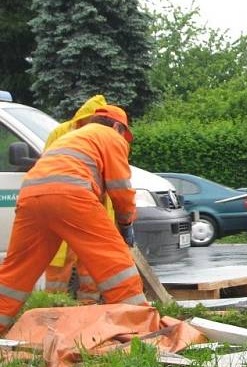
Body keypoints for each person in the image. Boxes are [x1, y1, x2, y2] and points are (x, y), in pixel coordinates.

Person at [0, 106, 146, 334]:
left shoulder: (72, 137)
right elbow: (121, 188)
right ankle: (140, 326)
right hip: (71, 193)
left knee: (17, 270)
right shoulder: (111, 137)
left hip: (30, 196)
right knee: (115, 262)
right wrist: (126, 223)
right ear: (118, 127)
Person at [43, 95, 111, 303]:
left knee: (90, 259)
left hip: (90, 205)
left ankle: (87, 304)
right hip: (68, 204)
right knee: (59, 258)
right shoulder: (62, 132)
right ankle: (55, 304)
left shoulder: (103, 136)